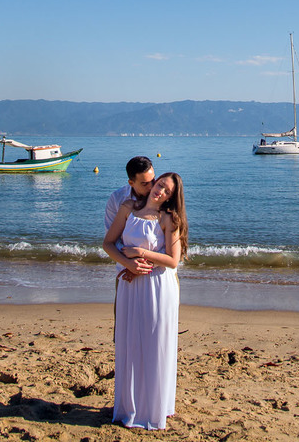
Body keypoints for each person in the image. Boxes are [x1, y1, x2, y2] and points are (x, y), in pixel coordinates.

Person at [102, 171, 188, 430]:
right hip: (130, 285)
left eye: (167, 191)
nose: (160, 191)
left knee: (154, 345)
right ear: (153, 183)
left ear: (171, 198)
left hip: (158, 287)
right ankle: (130, 406)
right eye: (160, 185)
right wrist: (128, 264)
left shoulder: (168, 219)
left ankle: (155, 407)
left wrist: (141, 252)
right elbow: (108, 244)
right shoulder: (128, 208)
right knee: (130, 343)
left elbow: (173, 260)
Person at [106, 156, 156, 281]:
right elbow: (111, 240)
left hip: (157, 271)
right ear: (131, 183)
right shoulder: (117, 199)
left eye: (153, 180)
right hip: (125, 272)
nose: (151, 187)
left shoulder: (163, 197)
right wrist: (129, 263)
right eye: (144, 184)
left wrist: (145, 262)